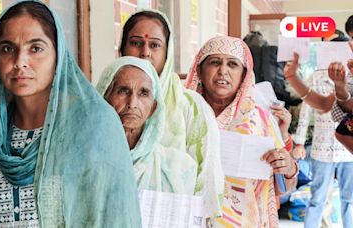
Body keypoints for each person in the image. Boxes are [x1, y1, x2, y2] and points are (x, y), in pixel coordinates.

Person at [0, 1, 141, 227]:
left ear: (58, 55)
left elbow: (114, 216)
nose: (20, 62)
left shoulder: (91, 125)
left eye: (36, 48)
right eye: (7, 48)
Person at [185, 36, 298, 227]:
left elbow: (284, 188)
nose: (223, 71)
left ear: (244, 74)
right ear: (200, 71)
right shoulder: (183, 114)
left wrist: (288, 168)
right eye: (214, 62)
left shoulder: (261, 120)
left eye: (232, 64)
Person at [119, 9, 225, 213]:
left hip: (173, 217)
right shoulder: (106, 101)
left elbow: (205, 176)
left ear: (167, 53)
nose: (145, 52)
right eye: (135, 43)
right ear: (122, 50)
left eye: (155, 45)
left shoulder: (190, 106)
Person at [96, 56, 223, 223]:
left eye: (144, 93)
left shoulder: (178, 168)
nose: (132, 103)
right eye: (123, 90)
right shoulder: (84, 164)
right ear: (104, 97)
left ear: (153, 107)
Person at [292, 68, 353, 228]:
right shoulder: (317, 78)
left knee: (349, 199)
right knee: (317, 198)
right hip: (322, 147)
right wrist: (299, 142)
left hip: (348, 151)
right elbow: (305, 112)